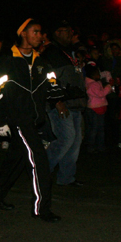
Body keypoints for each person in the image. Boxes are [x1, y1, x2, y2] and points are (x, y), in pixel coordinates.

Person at [0, 19, 62, 222]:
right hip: (17, 119)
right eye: (35, 32)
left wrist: (65, 92)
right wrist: (0, 120)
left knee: (16, 161)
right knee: (39, 161)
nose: (39, 36)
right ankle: (41, 209)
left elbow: (52, 86)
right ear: (23, 34)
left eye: (40, 32)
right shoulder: (8, 60)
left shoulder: (41, 62)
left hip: (34, 120)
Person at [41, 20, 87, 186]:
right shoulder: (51, 53)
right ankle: (41, 172)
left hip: (75, 101)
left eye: (70, 30)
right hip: (61, 102)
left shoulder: (71, 52)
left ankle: (66, 177)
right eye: (66, 30)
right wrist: (57, 100)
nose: (70, 33)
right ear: (57, 33)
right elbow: (48, 78)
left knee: (75, 141)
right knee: (66, 138)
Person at [84, 64, 112, 154]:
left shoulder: (95, 83)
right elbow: (101, 94)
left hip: (99, 107)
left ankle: (99, 146)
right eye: (97, 74)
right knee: (95, 129)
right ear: (93, 75)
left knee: (99, 128)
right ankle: (92, 146)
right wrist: (108, 87)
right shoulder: (92, 85)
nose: (99, 75)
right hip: (94, 108)